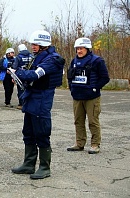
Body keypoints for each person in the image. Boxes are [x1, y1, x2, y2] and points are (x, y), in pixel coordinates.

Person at [10, 30, 65, 179]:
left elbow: (35, 75)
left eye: (36, 44)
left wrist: (17, 73)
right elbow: (31, 76)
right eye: (33, 44)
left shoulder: (52, 59)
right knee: (28, 132)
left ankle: (44, 167)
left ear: (43, 45)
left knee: (41, 133)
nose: (33, 46)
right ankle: (29, 164)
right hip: (32, 97)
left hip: (42, 99)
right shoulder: (38, 57)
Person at [67, 37, 110, 154]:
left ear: (87, 48)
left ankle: (95, 144)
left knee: (93, 121)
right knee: (78, 121)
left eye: (81, 49)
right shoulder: (74, 61)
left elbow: (105, 78)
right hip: (77, 96)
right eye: (77, 49)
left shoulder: (97, 61)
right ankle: (79, 143)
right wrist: (71, 88)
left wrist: (95, 88)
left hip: (92, 97)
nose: (79, 51)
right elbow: (70, 76)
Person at [13, 44, 34, 110]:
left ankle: (21, 104)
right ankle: (29, 103)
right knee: (30, 88)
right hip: (31, 74)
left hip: (21, 75)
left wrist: (14, 77)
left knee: (21, 89)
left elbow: (14, 67)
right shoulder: (31, 56)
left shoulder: (18, 57)